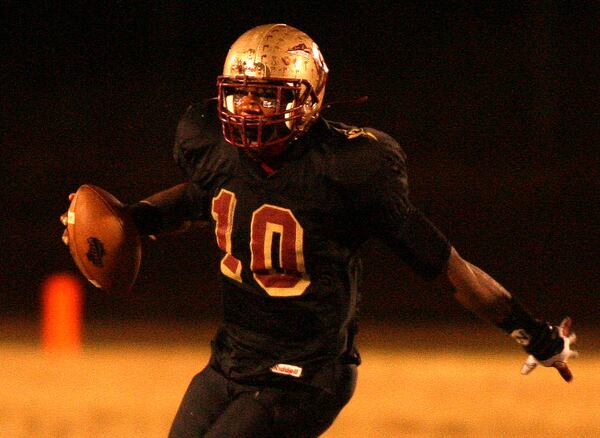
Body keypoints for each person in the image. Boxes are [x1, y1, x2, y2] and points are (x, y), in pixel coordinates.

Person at [61, 23, 577, 437]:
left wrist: (535, 333)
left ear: (309, 98)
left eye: (268, 96)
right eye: (241, 95)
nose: (250, 110)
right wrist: (123, 222)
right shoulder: (218, 151)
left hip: (305, 376)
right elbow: (204, 197)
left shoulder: (348, 170)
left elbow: (451, 270)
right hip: (230, 360)